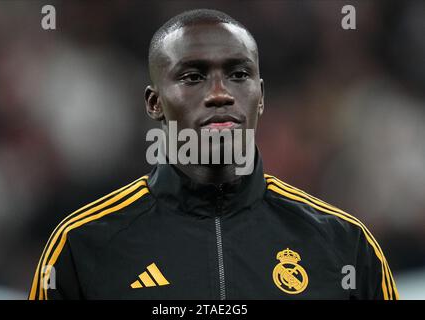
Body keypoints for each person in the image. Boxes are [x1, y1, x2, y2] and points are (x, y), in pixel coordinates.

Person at [29, 9, 398, 300]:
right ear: (154, 102)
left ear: (261, 95)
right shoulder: (84, 246)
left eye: (239, 75)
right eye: (193, 76)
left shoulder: (344, 245)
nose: (220, 93)